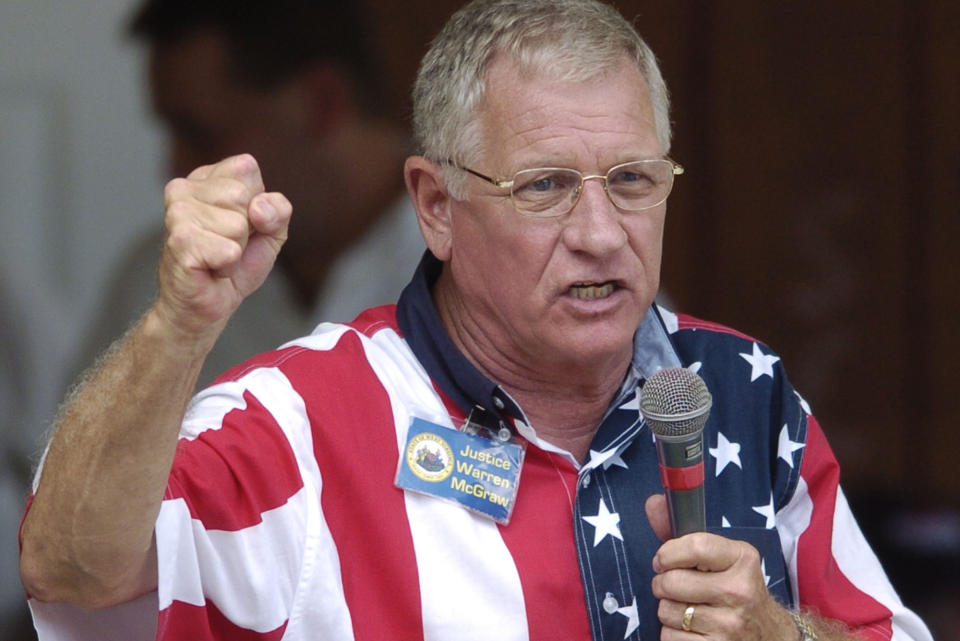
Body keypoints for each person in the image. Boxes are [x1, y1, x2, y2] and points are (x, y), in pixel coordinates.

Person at [19, 1, 933, 640]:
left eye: (632, 180)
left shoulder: (739, 390)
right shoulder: (302, 417)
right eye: (543, 187)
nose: (601, 233)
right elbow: (70, 569)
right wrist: (179, 323)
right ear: (437, 204)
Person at [73, 0, 424, 387]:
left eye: (200, 133)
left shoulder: (467, 263)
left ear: (322, 103)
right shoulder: (154, 284)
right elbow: (79, 448)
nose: (174, 171)